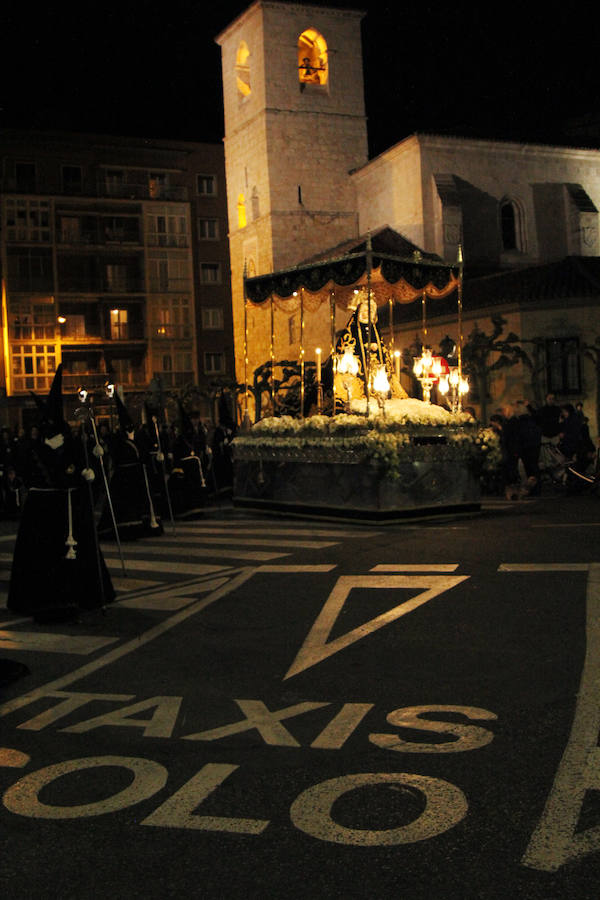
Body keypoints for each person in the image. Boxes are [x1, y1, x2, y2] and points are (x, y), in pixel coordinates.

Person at [8, 365, 115, 623]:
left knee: (74, 554)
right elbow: (22, 475)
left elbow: (81, 469)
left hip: (68, 509)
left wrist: (90, 472)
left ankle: (80, 594)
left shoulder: (71, 446)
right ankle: (43, 599)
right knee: (42, 557)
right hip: (43, 513)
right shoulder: (32, 449)